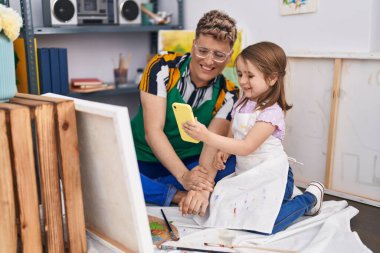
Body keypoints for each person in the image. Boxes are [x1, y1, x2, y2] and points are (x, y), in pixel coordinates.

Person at [181, 41, 325, 234]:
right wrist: (223, 150)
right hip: (247, 175)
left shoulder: (272, 112)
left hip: (271, 174)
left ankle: (310, 199)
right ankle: (284, 200)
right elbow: (235, 130)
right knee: (220, 210)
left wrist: (207, 136)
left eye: (250, 75)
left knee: (269, 224)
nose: (242, 81)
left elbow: (247, 146)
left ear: (272, 78)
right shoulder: (241, 103)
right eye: (240, 74)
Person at [130, 10, 240, 206]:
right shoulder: (161, 67)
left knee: (235, 164)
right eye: (203, 51)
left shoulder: (229, 94)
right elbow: (152, 132)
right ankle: (176, 195)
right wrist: (184, 177)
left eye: (219, 55)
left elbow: (212, 144)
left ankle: (157, 190)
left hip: (192, 162)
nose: (208, 61)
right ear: (193, 45)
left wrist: (199, 183)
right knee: (106, 168)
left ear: (229, 56)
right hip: (143, 159)